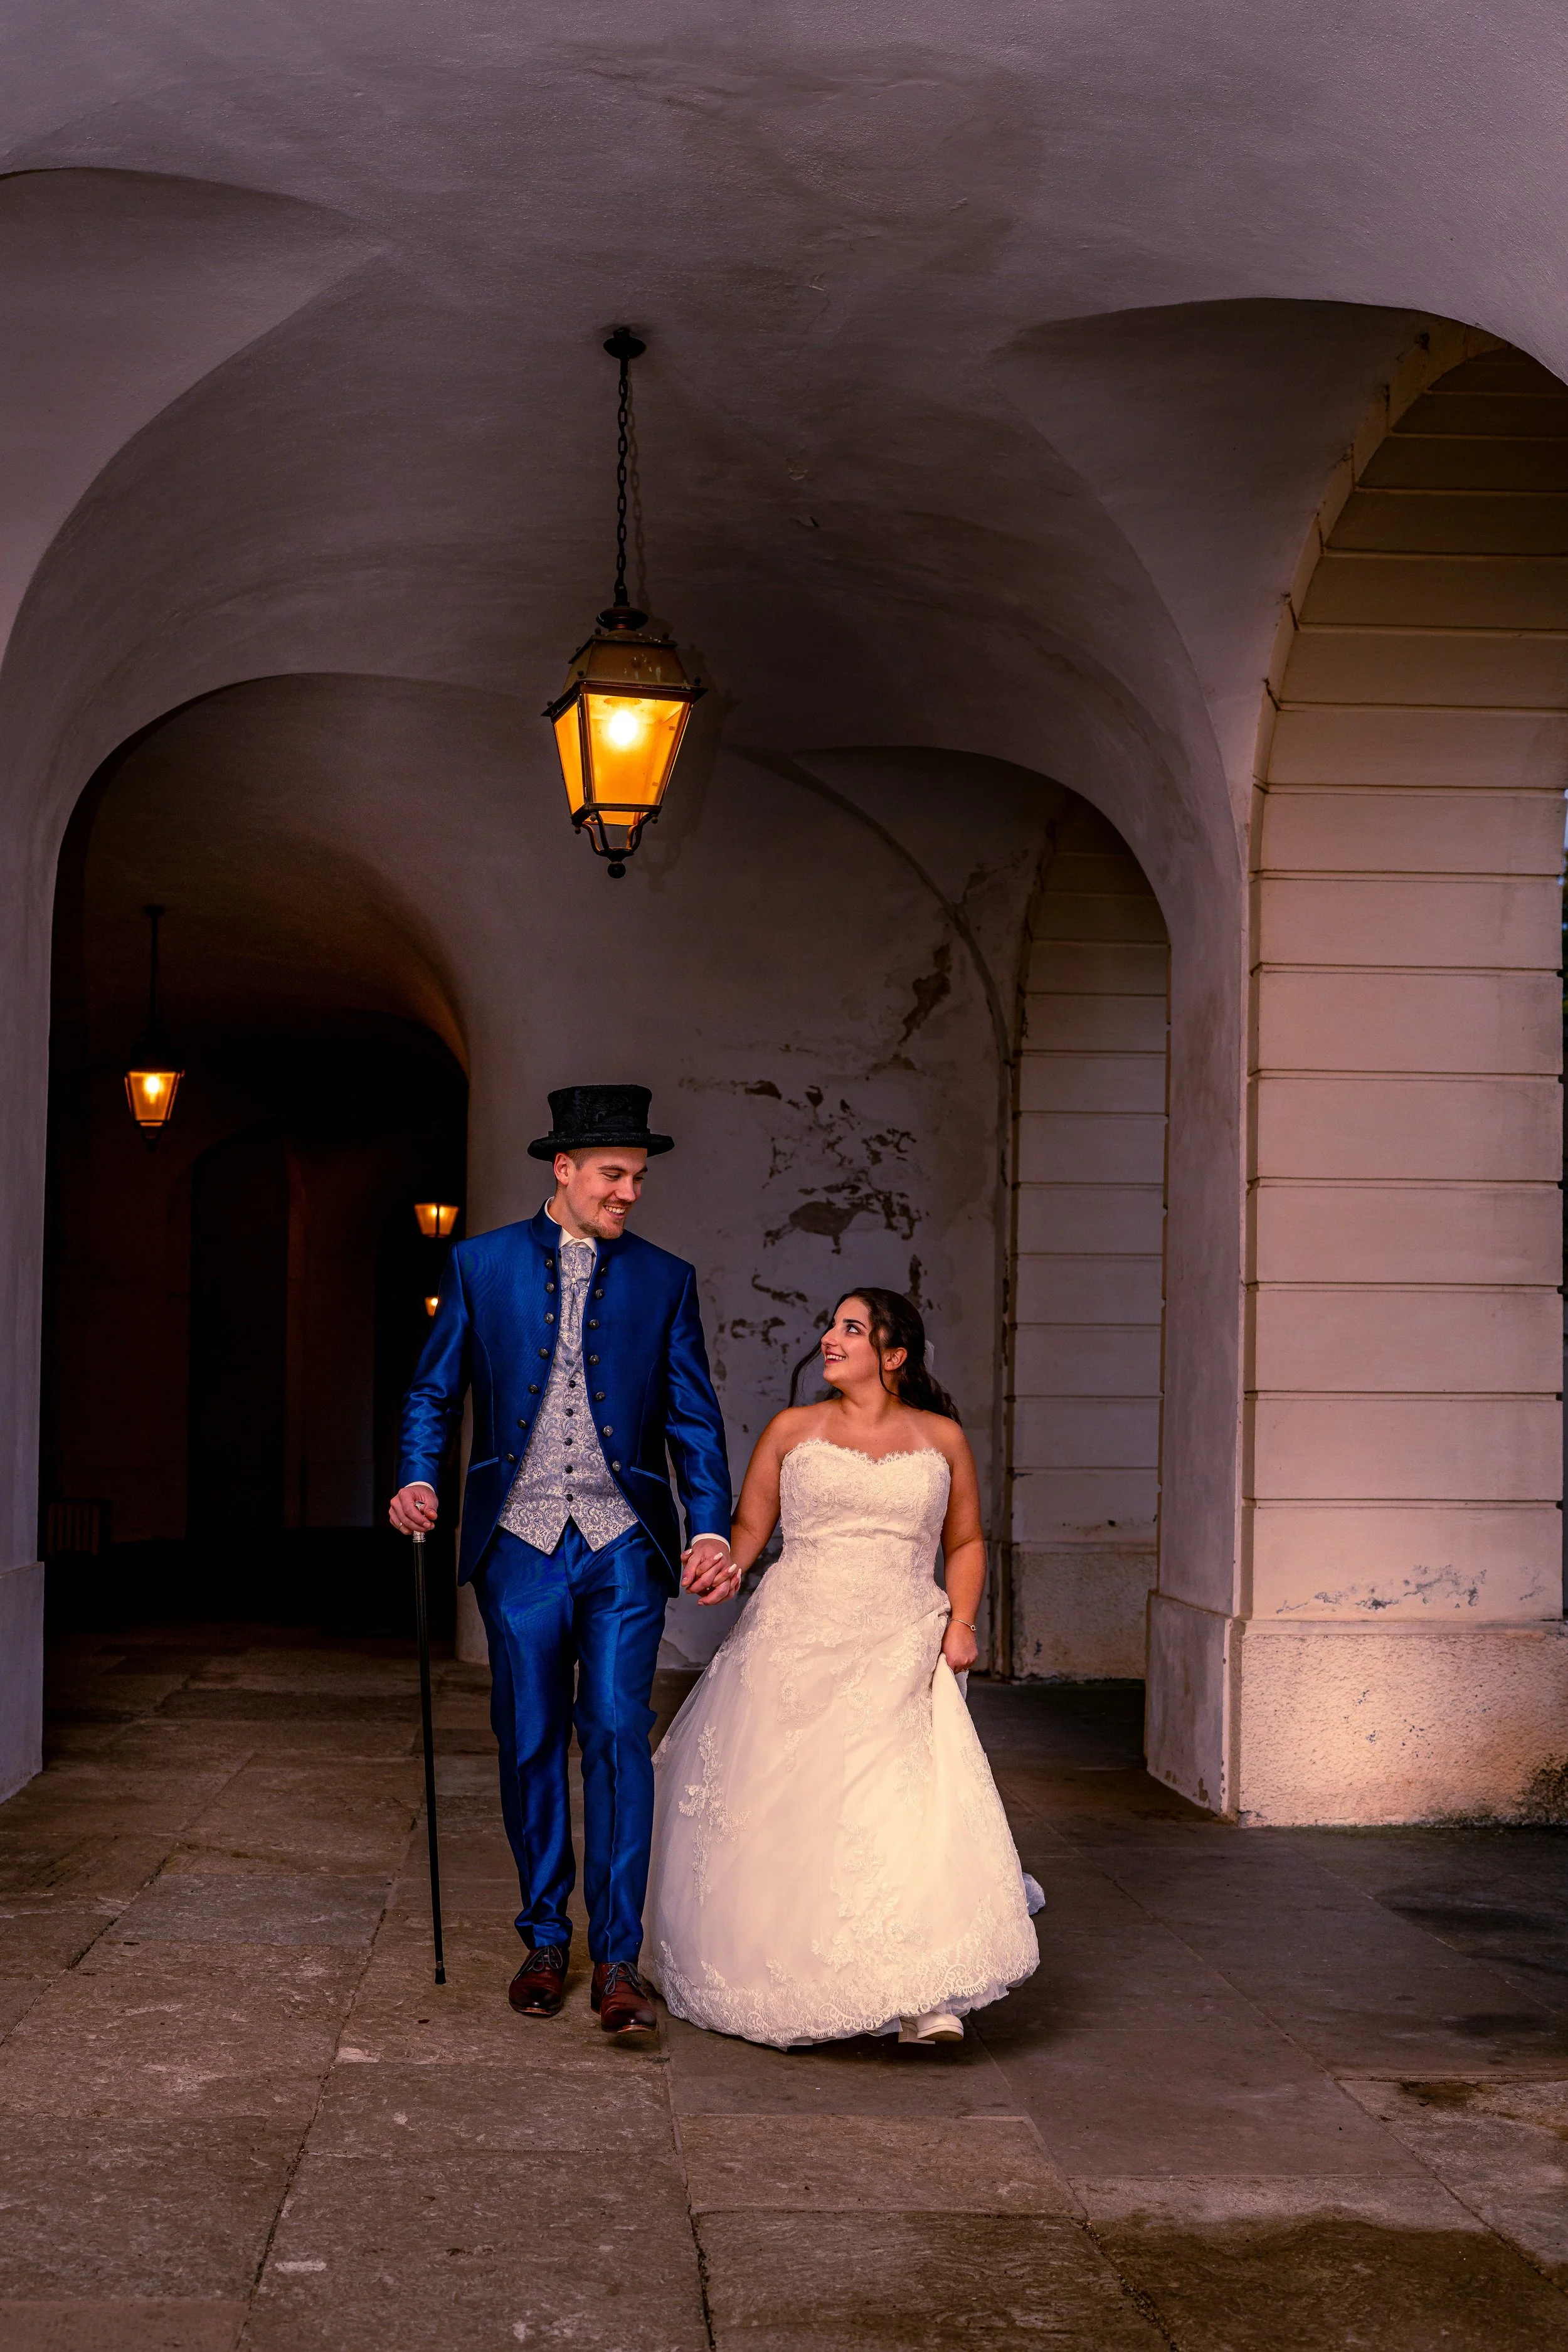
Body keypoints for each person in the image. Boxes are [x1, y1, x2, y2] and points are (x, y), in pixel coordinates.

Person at [389, 1084, 736, 2038]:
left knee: (620, 1727)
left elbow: (695, 1418)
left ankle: (616, 1957)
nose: (629, 1193)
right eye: (615, 1175)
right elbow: (432, 1390)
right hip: (520, 1545)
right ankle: (546, 1935)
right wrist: (420, 1477)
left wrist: (709, 1525)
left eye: (639, 1177)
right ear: (565, 1169)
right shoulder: (480, 1264)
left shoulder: (666, 1278)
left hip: (625, 1540)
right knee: (531, 1735)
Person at [643, 1286, 1041, 2050]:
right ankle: (794, 1970)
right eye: (832, 1325)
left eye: (851, 1329)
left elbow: (964, 1544)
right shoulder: (794, 1429)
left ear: (893, 1355)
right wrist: (721, 1565)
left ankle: (926, 1992)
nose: (830, 1338)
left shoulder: (942, 1438)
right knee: (794, 1804)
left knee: (900, 1807)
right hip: (796, 1636)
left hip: (900, 1635)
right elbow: (750, 1527)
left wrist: (961, 1624)